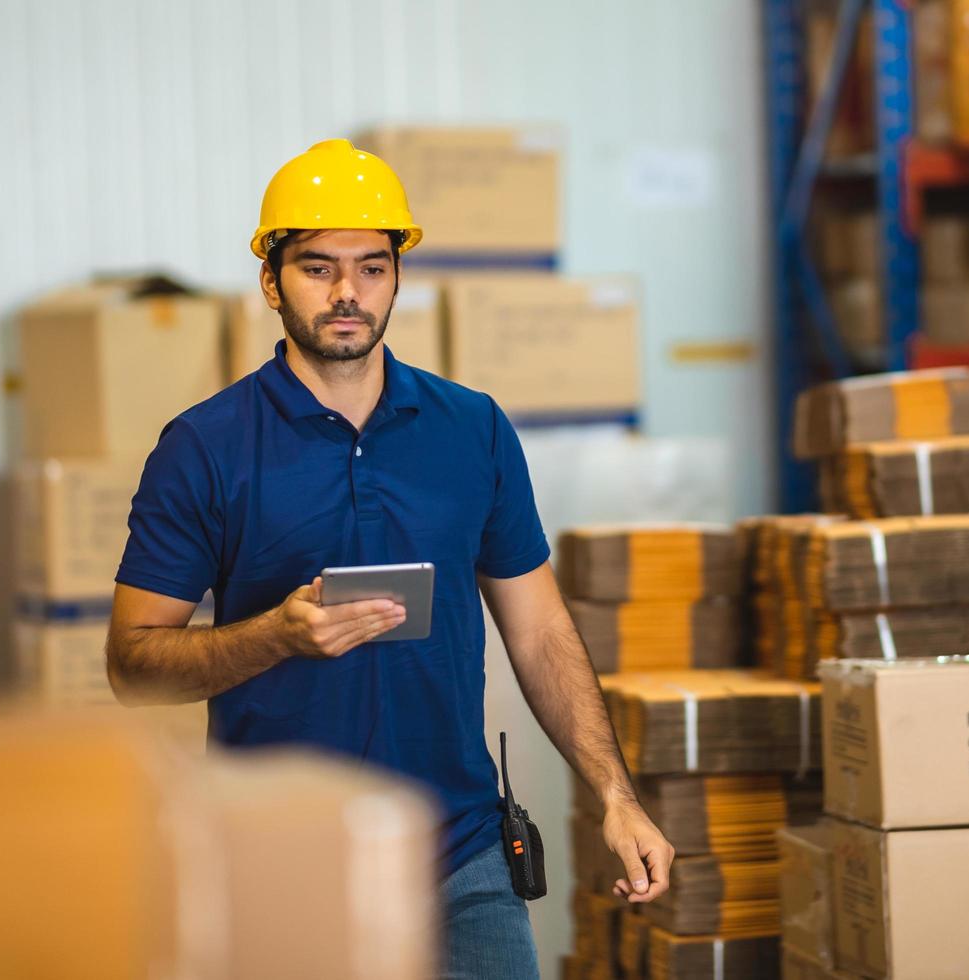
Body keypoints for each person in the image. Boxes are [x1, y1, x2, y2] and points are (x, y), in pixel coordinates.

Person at [104, 138, 673, 979]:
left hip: (462, 849)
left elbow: (541, 629)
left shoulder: (471, 428)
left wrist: (616, 797)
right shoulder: (205, 447)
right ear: (271, 280)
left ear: (399, 277)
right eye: (317, 267)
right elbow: (133, 665)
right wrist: (275, 637)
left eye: (372, 268)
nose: (347, 293)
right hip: (280, 854)